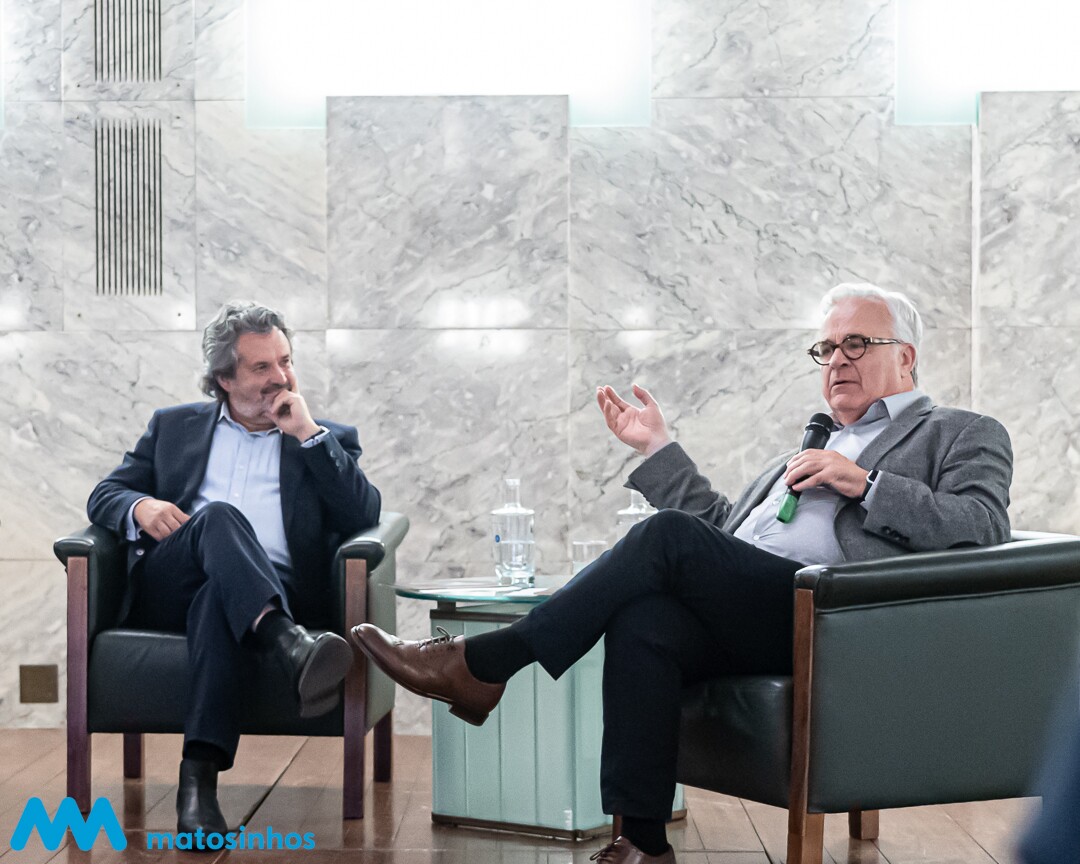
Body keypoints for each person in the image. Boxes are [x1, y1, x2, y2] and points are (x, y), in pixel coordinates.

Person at [351, 283, 1012, 864]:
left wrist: (865, 483)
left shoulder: (960, 432)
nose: (837, 359)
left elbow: (982, 525)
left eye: (856, 343)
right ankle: (642, 842)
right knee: (647, 620)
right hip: (760, 608)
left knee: (664, 534)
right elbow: (720, 531)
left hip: (838, 620)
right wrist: (656, 448)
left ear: (907, 357)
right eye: (826, 348)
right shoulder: (813, 441)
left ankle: (486, 664)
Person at [88, 301, 381, 839]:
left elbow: (363, 516)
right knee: (219, 517)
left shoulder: (323, 437)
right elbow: (104, 494)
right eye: (262, 366)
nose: (281, 377)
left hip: (273, 587)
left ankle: (197, 785)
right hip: (171, 581)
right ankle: (288, 642)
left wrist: (308, 435)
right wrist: (140, 506)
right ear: (224, 377)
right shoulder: (173, 426)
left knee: (218, 601)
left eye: (285, 361)